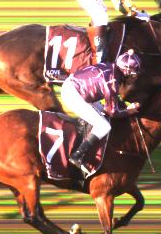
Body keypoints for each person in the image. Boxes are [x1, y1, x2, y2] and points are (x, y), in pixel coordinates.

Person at [56, 50, 140, 179]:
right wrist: (129, 110)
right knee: (104, 126)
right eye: (133, 73)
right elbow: (113, 112)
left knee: (101, 113)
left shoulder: (110, 65)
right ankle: (77, 155)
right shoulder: (112, 83)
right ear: (126, 71)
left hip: (75, 86)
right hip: (74, 95)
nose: (134, 76)